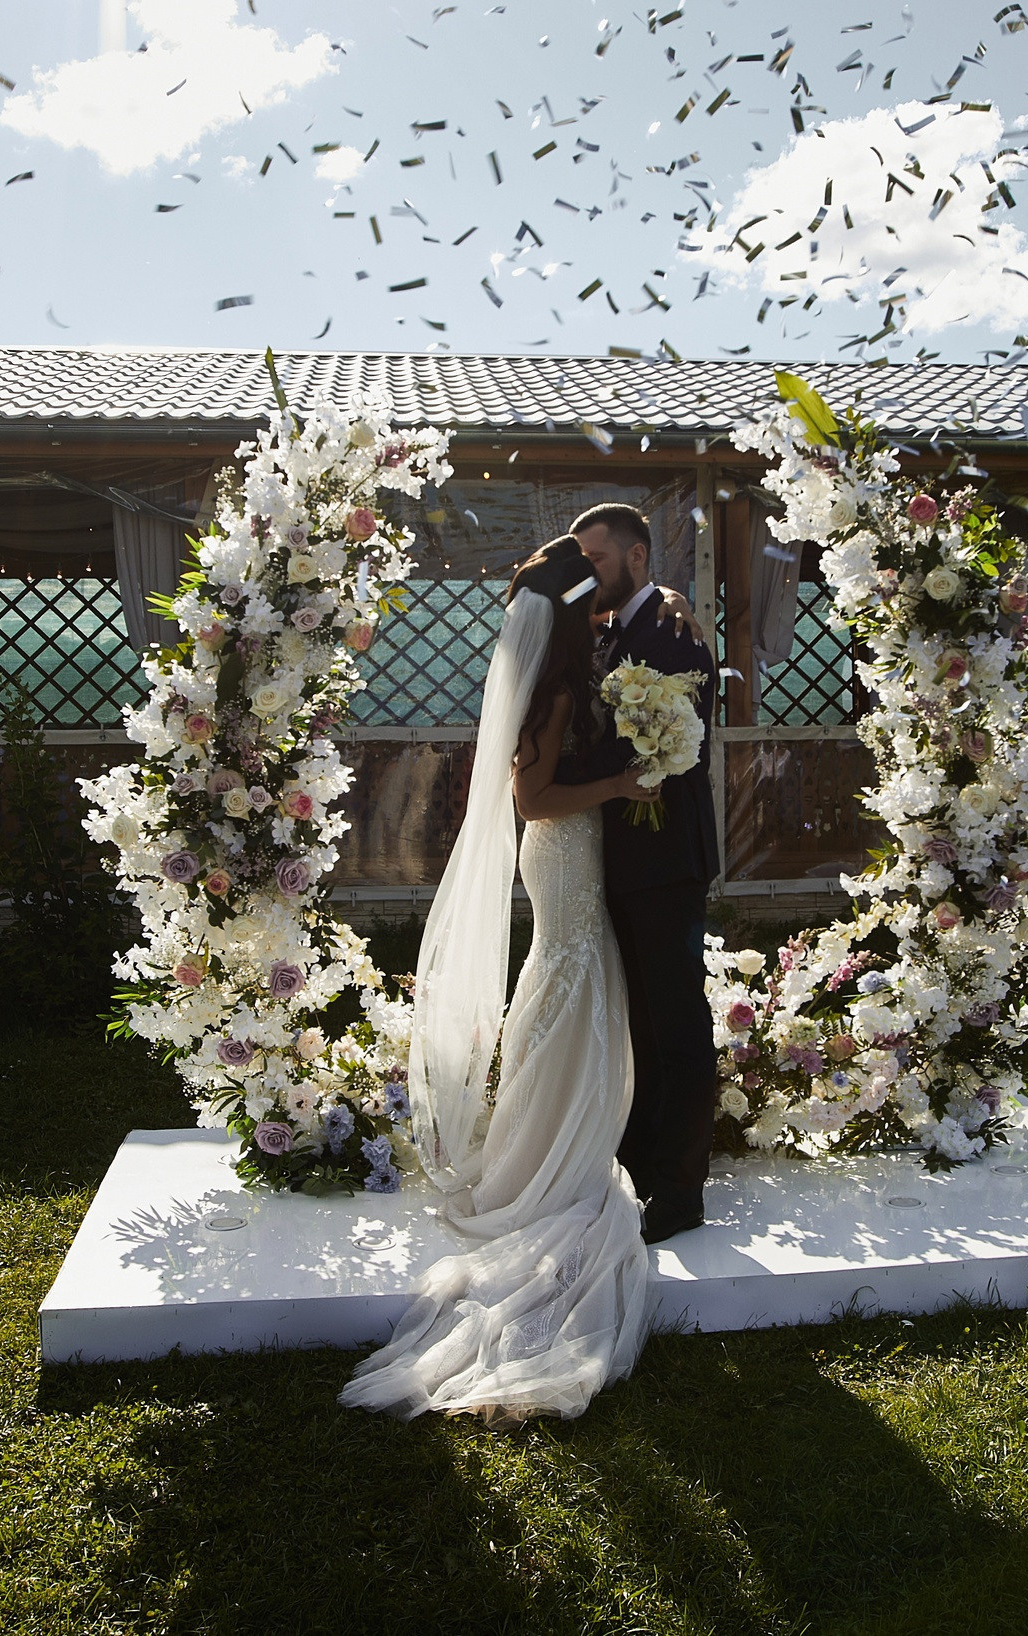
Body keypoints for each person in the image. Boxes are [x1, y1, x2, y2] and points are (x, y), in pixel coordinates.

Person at [342, 538, 659, 1424]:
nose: (602, 614)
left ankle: (552, 1128)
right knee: (570, 976)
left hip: (566, 854)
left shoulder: (558, 678)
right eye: (592, 602)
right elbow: (534, 799)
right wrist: (620, 785)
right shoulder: (556, 690)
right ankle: (552, 1151)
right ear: (568, 613)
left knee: (569, 981)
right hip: (562, 848)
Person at [573, 502, 723, 1244]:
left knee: (678, 1024)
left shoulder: (669, 629)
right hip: (628, 857)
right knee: (643, 1022)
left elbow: (662, 746)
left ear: (637, 558)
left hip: (666, 859)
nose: (586, 574)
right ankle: (642, 1159)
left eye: (595, 559)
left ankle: (682, 1188)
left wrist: (561, 773)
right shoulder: (618, 628)